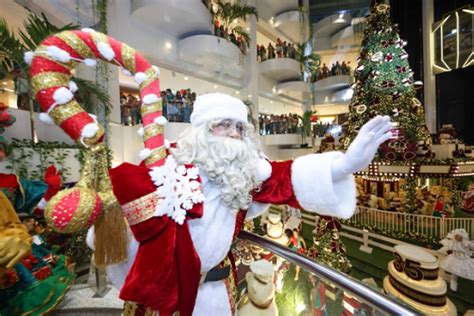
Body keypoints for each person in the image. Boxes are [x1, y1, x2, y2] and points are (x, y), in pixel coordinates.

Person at [92, 93, 392, 315]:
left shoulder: (247, 173)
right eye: (225, 125)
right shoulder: (164, 168)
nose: (235, 134)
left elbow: (286, 180)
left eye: (240, 128)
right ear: (203, 130)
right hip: (162, 296)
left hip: (214, 296)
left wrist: (345, 165)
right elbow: (129, 216)